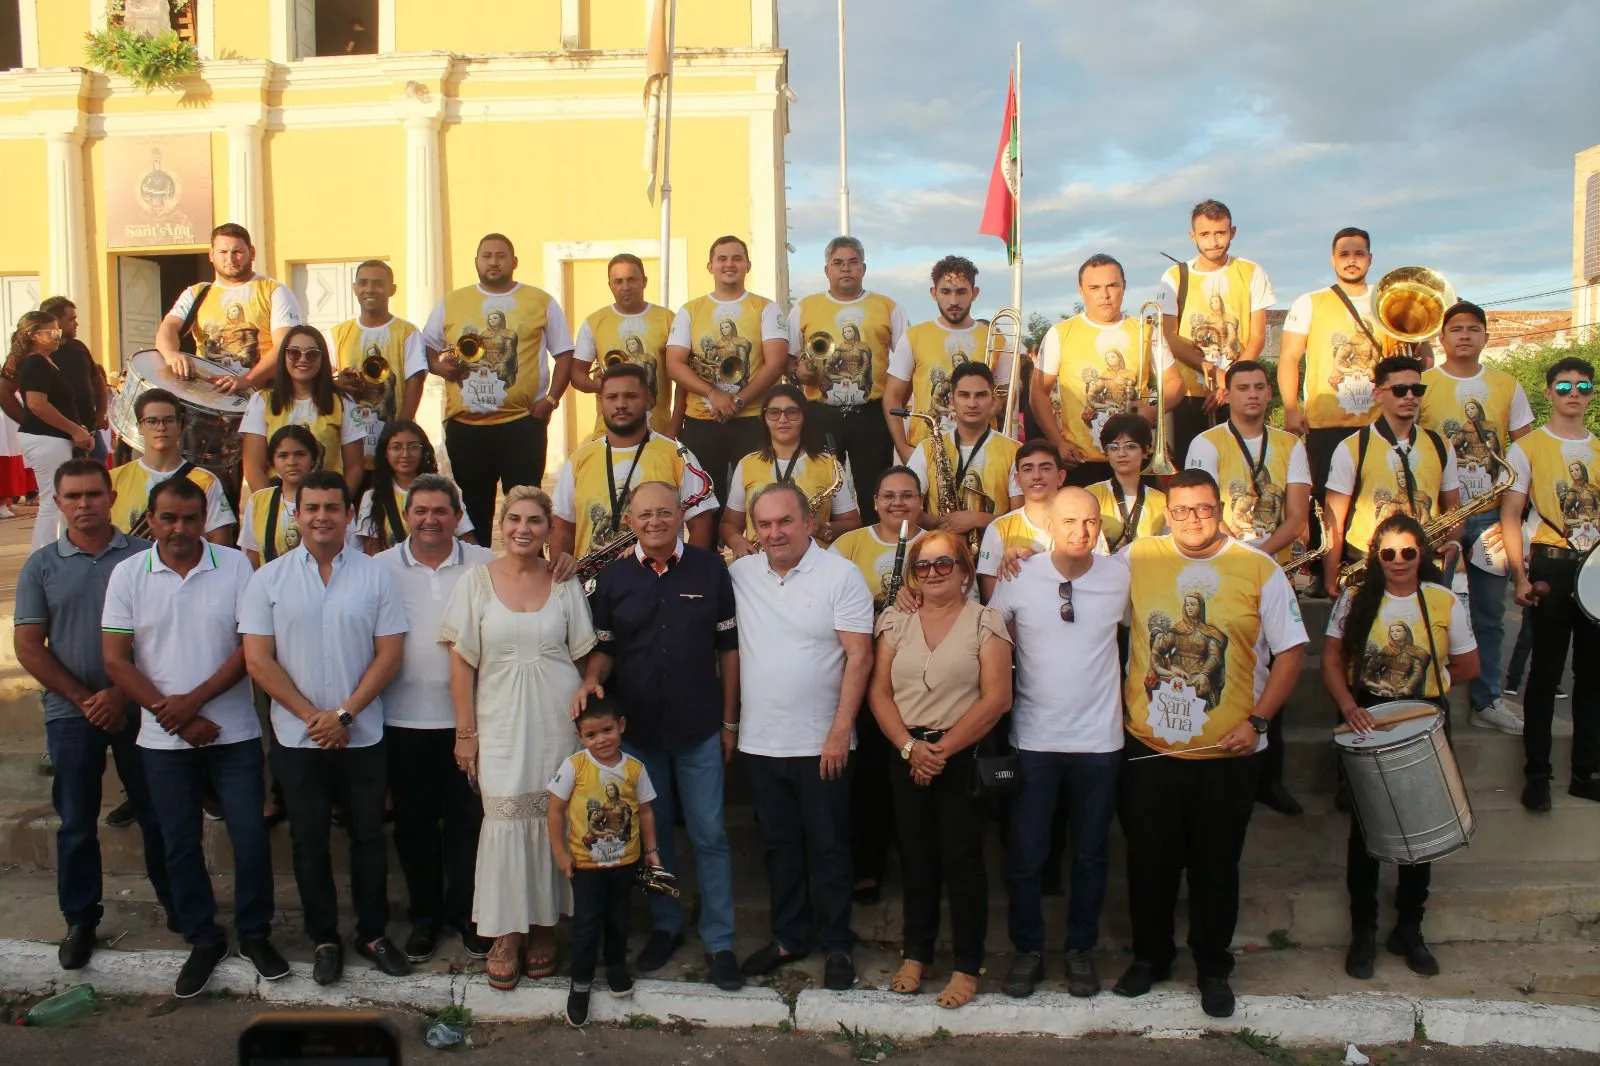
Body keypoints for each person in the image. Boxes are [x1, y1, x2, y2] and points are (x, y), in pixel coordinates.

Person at [1116, 469, 1307, 1019]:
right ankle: (1150, 958)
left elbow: (1292, 652)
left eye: (1202, 509)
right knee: (1148, 862)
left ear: (1219, 507)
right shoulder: (1138, 557)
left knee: (1216, 865)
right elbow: (1076, 582)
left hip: (1228, 752)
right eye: (1181, 510)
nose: (1192, 520)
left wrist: (1261, 722)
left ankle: (1212, 966)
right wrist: (1017, 561)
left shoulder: (1258, 567)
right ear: (1167, 512)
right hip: (1150, 748)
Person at [100, 476, 286, 997]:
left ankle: (254, 933)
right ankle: (203, 938)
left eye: (190, 518)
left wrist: (193, 702)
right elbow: (116, 660)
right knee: (179, 843)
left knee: (249, 837)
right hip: (162, 742)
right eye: (168, 518)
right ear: (151, 520)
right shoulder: (128, 574)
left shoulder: (235, 567)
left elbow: (250, 649)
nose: (179, 528)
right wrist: (174, 714)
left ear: (205, 519)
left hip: (236, 736)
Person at [239, 470, 410, 985]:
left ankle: (373, 933)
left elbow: (390, 654)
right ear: (296, 516)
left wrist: (345, 715)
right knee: (309, 841)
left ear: (348, 515)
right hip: (297, 739)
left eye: (332, 508)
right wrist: (314, 717)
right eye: (311, 508)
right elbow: (258, 661)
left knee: (368, 838)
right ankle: (324, 939)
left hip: (364, 734)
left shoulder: (376, 575)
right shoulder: (267, 579)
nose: (321, 517)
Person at [573, 480, 742, 988]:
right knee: (654, 837)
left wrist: (730, 721)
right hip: (640, 737)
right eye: (644, 515)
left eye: (664, 513)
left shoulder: (711, 569)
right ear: (630, 522)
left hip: (698, 730)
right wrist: (590, 680)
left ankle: (720, 941)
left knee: (711, 836)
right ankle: (666, 926)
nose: (654, 522)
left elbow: (728, 651)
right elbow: (605, 648)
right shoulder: (612, 580)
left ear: (680, 516)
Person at [13, 459, 174, 970]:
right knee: (77, 821)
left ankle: (179, 905)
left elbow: (159, 638)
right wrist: (88, 699)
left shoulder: (147, 557)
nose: (84, 505)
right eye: (73, 497)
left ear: (111, 498)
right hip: (70, 712)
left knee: (157, 814)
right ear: (58, 503)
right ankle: (80, 918)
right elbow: (30, 647)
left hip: (139, 707)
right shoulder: (40, 565)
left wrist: (121, 695)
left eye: (93, 495)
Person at [440, 486, 595, 989]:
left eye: (534, 521)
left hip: (556, 720)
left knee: (552, 817)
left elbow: (583, 656)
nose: (523, 529)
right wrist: (467, 733)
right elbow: (462, 663)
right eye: (514, 520)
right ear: (501, 526)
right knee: (505, 818)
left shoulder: (565, 582)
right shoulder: (475, 583)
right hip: (500, 722)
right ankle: (507, 933)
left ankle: (546, 927)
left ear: (550, 530)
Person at [985, 488, 1128, 999]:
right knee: (1026, 854)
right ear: (1047, 522)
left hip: (1100, 742)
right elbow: (989, 639)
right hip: (1034, 741)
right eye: (1069, 520)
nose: (1081, 531)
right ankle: (1028, 952)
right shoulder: (1018, 575)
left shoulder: (1122, 575)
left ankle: (1079, 952)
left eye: (1091, 522)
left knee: (1090, 854)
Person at [1322, 513, 1478, 980]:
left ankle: (1409, 929)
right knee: (1366, 836)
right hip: (1367, 717)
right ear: (1376, 557)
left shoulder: (1443, 600)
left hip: (1422, 717)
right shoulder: (1354, 599)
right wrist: (1350, 706)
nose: (1398, 561)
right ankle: (1364, 931)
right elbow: (1331, 659)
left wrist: (1429, 689)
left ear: (1422, 554)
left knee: (1423, 832)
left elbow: (1469, 666)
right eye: (1387, 553)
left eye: (1408, 552)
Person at [731, 483, 874, 991]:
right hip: (761, 742)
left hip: (823, 745)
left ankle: (837, 944)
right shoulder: (740, 575)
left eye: (785, 521)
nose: (774, 533)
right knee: (780, 847)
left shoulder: (841, 575)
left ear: (809, 523)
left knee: (831, 847)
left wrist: (839, 732)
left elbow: (860, 656)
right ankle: (789, 937)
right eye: (764, 524)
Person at [868, 531, 1011, 1009]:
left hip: (961, 754)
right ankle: (917, 953)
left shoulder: (985, 622)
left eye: (943, 564)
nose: (932, 573)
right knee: (916, 857)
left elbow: (997, 699)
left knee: (963, 861)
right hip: (907, 752)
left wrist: (941, 751)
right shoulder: (895, 621)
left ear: (966, 572)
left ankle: (968, 964)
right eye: (923, 566)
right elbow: (879, 693)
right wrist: (910, 747)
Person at [375, 474, 496, 963]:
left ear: (457, 515)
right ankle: (424, 919)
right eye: (420, 511)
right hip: (403, 723)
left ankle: (470, 915)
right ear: (407, 517)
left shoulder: (487, 564)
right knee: (415, 826)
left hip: (471, 722)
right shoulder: (379, 568)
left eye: (440, 511)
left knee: (470, 823)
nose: (430, 520)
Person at [1184, 359, 1312, 815]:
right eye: (1243, 387)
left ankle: (1269, 778)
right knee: (1231, 668)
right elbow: (1201, 512)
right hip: (1224, 573)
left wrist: (1260, 556)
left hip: (1272, 572)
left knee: (1278, 671)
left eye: (1260, 386)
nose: (1253, 395)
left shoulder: (1290, 445)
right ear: (1228, 393)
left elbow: (1297, 517)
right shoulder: (1206, 442)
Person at [1419, 300, 1534, 731]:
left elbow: (1525, 450)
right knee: (1434, 610)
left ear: (1486, 336)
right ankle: (1431, 699)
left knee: (1489, 612)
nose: (1464, 336)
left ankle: (1487, 700)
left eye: (1473, 329)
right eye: (1456, 329)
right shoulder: (1425, 384)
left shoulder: (1507, 385)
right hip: (1442, 518)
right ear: (1442, 337)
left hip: (1491, 517)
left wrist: (1523, 518)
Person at [422, 232, 576, 536]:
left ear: (514, 262)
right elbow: (425, 345)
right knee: (473, 510)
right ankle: (480, 575)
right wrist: (441, 368)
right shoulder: (453, 302)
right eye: (487, 256)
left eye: (501, 255)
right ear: (476, 262)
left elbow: (565, 353)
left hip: (522, 425)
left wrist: (551, 400)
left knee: (525, 509)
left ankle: (526, 573)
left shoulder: (539, 301)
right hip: (466, 427)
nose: (494, 262)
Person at [1500, 357, 1600, 812]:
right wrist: (1520, 573)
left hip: (1595, 568)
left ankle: (1586, 772)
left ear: (1591, 393)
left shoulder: (1599, 448)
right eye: (1564, 386)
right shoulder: (1530, 447)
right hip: (1552, 565)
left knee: (1593, 677)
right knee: (1544, 673)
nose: (1573, 393)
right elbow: (1510, 514)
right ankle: (1537, 774)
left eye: (1582, 385)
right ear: (1548, 392)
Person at [830, 465, 926, 903]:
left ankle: (917, 868)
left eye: (907, 495)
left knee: (913, 778)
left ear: (920, 502)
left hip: (921, 682)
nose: (898, 503)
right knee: (867, 779)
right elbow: (827, 605)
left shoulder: (935, 545)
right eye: (889, 495)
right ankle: (867, 866)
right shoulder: (849, 543)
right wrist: (875, 604)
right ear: (874, 501)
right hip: (864, 677)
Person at [547, 696, 662, 1028]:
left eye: (608, 730)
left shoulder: (634, 769)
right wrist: (560, 853)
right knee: (586, 923)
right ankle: (580, 984)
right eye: (592, 735)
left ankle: (615, 968)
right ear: (580, 737)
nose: (602, 740)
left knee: (618, 919)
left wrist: (651, 852)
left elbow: (645, 811)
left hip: (624, 863)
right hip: (586, 866)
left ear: (621, 726)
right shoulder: (574, 767)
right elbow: (554, 810)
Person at [664, 235, 789, 513]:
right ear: (710, 266)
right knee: (703, 503)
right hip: (701, 421)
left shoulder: (765, 308)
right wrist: (712, 393)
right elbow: (674, 363)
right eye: (722, 259)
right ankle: (708, 556)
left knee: (760, 496)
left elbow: (776, 362)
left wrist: (738, 401)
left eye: (736, 258)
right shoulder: (690, 310)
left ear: (748, 264)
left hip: (752, 420)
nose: (729, 264)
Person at [1322, 356, 1462, 603]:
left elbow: (1454, 507)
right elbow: (1334, 518)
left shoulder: (1441, 444)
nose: (1410, 396)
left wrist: (1454, 543)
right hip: (1368, 561)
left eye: (1417, 390)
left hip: (1425, 559)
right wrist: (1330, 575)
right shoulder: (1351, 447)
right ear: (1378, 394)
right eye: (1399, 390)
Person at [791, 237, 910, 521]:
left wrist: (898, 406)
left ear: (863, 268)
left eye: (853, 263)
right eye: (838, 263)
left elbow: (908, 361)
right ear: (827, 270)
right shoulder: (806, 307)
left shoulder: (887, 306)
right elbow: (789, 357)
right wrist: (799, 373)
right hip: (820, 413)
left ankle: (874, 547)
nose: (846, 269)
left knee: (875, 489)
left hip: (871, 414)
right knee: (821, 488)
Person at [550, 363, 717, 563]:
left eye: (630, 396)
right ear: (601, 402)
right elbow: (562, 528)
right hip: (590, 586)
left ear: (649, 400)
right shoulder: (579, 459)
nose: (621, 404)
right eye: (612, 397)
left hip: (658, 582)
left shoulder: (678, 455)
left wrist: (684, 576)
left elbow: (701, 525)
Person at [1278, 228, 1388, 514]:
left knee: (1378, 500)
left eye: (1359, 254)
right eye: (1345, 254)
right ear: (1333, 259)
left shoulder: (1388, 300)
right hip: (1327, 425)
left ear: (1370, 259)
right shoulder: (1310, 302)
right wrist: (1291, 409)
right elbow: (1289, 357)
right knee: (1328, 506)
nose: (1352, 260)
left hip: (1380, 422)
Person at [1157, 200, 1276, 462]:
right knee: (1192, 469)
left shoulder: (1251, 271)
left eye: (1220, 233)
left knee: (1239, 467)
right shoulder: (1175, 276)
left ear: (1232, 232)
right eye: (1205, 234)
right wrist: (1213, 373)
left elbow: (1256, 338)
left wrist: (1232, 383)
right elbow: (1170, 337)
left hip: (1237, 392)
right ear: (1193, 236)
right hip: (1190, 393)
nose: (1213, 241)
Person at [1031, 255, 1165, 486]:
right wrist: (1059, 443)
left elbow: (1174, 385)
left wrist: (1148, 415)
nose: (1104, 295)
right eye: (1094, 287)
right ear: (1081, 290)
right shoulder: (1061, 333)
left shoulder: (1146, 330)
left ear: (1124, 286)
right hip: (1083, 462)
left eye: (1112, 285)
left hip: (1135, 458)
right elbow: (1038, 394)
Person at [155, 223, 302, 392]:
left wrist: (246, 380)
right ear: (211, 255)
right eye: (223, 252)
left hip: (262, 396)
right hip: (207, 395)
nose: (230, 259)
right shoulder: (196, 293)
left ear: (252, 253)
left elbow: (285, 346)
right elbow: (169, 327)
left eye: (237, 252)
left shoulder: (275, 291)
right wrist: (171, 354)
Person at [722, 384, 859, 555]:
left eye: (791, 412)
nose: (782, 419)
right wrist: (736, 541)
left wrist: (823, 528)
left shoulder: (829, 465)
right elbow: (729, 524)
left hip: (813, 564)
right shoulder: (747, 464)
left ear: (804, 417)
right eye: (774, 412)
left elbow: (852, 523)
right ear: (764, 418)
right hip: (759, 563)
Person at [883, 256, 992, 456]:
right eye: (945, 291)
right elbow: (892, 396)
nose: (953, 301)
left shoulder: (995, 339)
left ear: (974, 293)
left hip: (981, 449)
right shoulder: (914, 336)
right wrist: (902, 448)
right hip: (926, 449)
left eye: (961, 292)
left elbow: (1003, 399)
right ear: (933, 293)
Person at [240, 326, 365, 496]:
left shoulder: (344, 403)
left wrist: (335, 505)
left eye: (312, 353)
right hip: (276, 505)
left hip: (326, 506)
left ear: (323, 358)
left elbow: (355, 468)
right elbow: (253, 467)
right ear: (284, 356)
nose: (303, 359)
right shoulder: (260, 401)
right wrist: (273, 508)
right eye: (294, 353)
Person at [330, 260, 428, 471]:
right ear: (355, 288)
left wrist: (401, 432)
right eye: (363, 283)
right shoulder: (337, 333)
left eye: (378, 283)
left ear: (392, 289)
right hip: (349, 448)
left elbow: (416, 380)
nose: (369, 289)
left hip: (390, 449)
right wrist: (337, 384)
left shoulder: (407, 331)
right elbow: (320, 380)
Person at [908, 363, 1021, 546]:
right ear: (951, 399)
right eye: (964, 395)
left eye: (981, 395)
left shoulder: (1015, 451)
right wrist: (941, 523)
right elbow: (907, 505)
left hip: (998, 555)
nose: (972, 404)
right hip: (941, 554)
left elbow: (1022, 516)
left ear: (993, 400)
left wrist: (977, 519)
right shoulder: (927, 448)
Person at [11, 311, 96, 550]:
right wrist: (75, 430)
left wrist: (76, 428)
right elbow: (37, 404)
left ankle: (60, 549)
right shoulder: (34, 362)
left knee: (58, 499)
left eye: (57, 330)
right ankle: (43, 558)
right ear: (34, 336)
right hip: (46, 438)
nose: (57, 335)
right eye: (51, 331)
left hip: (52, 438)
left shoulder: (45, 361)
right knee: (52, 500)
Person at [572, 254, 681, 437]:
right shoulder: (594, 322)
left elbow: (682, 379)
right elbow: (576, 375)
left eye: (631, 279)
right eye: (618, 281)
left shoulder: (668, 319)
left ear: (644, 281)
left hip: (658, 431)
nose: (625, 287)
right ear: (610, 285)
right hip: (607, 433)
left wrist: (675, 426)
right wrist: (597, 385)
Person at [108, 388, 236, 544]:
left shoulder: (206, 481)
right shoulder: (114, 478)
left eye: (168, 420)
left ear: (180, 425)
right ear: (140, 427)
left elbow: (220, 542)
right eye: (151, 421)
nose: (161, 427)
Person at [3, 297, 105, 462]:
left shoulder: (77, 348)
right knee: (61, 484)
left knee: (95, 481)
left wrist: (100, 413)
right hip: (59, 435)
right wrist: (30, 422)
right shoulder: (33, 359)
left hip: (85, 430)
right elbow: (32, 401)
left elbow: (97, 381)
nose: (76, 324)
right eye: (71, 319)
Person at [356, 421, 477, 553]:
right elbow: (371, 550)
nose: (405, 454)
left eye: (413, 447)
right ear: (385, 452)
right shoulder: (372, 498)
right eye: (396, 447)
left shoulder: (446, 491)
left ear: (423, 451)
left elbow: (467, 539)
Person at [977, 440, 1066, 602]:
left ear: (1061, 477)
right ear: (1017, 480)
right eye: (1028, 469)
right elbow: (992, 602)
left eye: (1045, 468)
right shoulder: (999, 529)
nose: (1037, 476)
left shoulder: (1081, 523)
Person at [238, 425, 323, 568]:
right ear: (272, 462)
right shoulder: (259, 501)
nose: (292, 462)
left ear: (313, 459)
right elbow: (253, 559)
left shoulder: (332, 500)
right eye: (283, 455)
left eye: (300, 454)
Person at [1089, 414, 1168, 553]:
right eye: (1113, 447)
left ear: (1147, 449)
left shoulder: (1163, 502)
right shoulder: (1090, 496)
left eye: (1130, 446)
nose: (1121, 454)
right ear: (1106, 452)